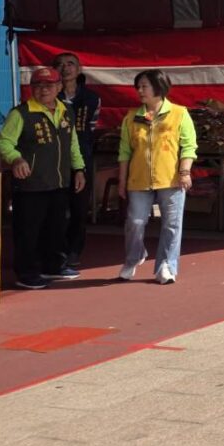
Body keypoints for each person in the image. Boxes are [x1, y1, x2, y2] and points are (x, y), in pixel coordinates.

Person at [0, 68, 86, 289]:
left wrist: (79, 169)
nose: (43, 90)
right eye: (38, 85)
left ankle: (53, 266)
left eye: (48, 85)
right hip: (30, 185)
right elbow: (4, 142)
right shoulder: (21, 113)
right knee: (28, 231)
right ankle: (26, 273)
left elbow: (72, 143)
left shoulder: (66, 111)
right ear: (31, 88)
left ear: (59, 87)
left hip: (59, 182)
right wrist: (16, 159)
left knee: (56, 227)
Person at [116, 70, 197, 284]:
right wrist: (122, 181)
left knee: (171, 224)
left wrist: (185, 171)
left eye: (144, 86)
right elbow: (124, 151)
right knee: (135, 221)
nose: (140, 91)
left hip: (170, 179)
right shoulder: (132, 117)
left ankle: (166, 265)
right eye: (138, 87)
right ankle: (134, 256)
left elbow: (189, 146)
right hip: (138, 179)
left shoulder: (179, 113)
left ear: (158, 88)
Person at [54, 52, 100, 269]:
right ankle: (58, 250)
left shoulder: (91, 98)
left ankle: (74, 250)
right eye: (60, 65)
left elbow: (91, 129)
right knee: (57, 208)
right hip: (55, 160)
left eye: (70, 64)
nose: (66, 68)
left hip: (82, 158)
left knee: (79, 208)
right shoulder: (50, 97)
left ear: (79, 69)